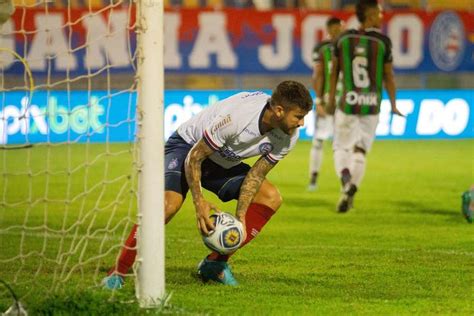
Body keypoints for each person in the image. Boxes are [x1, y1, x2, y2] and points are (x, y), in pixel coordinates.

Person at [102, 81, 312, 288]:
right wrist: (199, 201)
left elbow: (255, 176)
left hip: (223, 162)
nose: (301, 123)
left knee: (270, 197)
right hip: (187, 147)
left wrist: (240, 219)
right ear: (278, 110)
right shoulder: (238, 118)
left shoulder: (288, 137)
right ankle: (118, 272)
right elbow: (195, 157)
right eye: (299, 117)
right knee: (168, 205)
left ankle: (214, 264)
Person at [327, 0, 403, 212]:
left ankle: (345, 179)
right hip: (371, 105)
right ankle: (351, 190)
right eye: (379, 13)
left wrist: (331, 99)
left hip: (348, 102)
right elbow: (389, 76)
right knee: (360, 150)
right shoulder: (383, 42)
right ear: (370, 17)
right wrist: (394, 104)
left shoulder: (343, 39)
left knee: (340, 147)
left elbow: (334, 72)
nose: (381, 16)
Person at [307, 17, 343, 191]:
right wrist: (319, 100)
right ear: (329, 29)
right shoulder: (322, 49)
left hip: (344, 102)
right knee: (319, 141)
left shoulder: (348, 46)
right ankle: (313, 177)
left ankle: (345, 180)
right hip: (328, 100)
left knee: (342, 144)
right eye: (335, 28)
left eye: (340, 28)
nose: (338, 31)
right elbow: (318, 75)